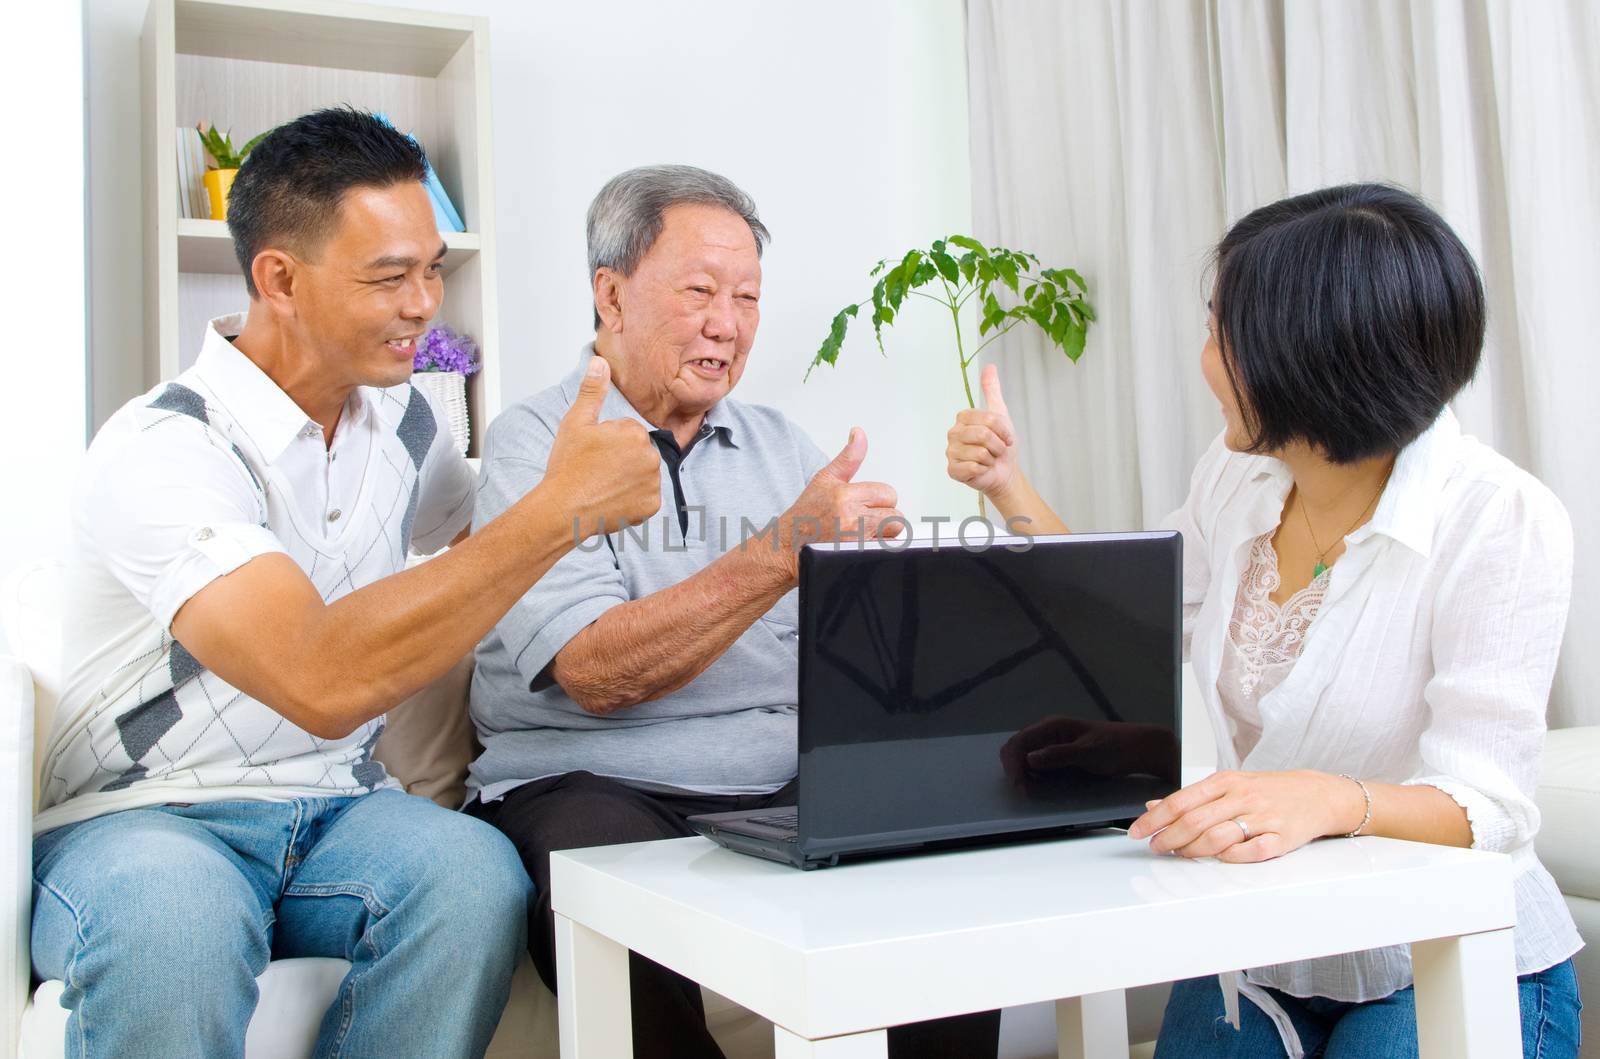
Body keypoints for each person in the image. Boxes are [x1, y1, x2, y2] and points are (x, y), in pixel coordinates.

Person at [31, 107, 662, 1058]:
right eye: (387, 277)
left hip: (336, 810)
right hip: (144, 817)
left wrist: (591, 498)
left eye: (432, 270)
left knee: (474, 876)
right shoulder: (165, 451)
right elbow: (319, 678)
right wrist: (556, 510)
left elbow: (487, 539)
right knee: (176, 926)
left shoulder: (404, 424)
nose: (424, 305)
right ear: (277, 279)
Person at [944, 183, 1582, 1059]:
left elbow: (1492, 805)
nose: (1203, 359)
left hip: (1444, 950)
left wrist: (1326, 798)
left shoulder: (1500, 518)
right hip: (1265, 945)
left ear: (1311, 358)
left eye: (1219, 333)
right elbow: (1127, 620)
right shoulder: (1239, 476)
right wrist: (1009, 485)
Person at [467, 164, 1001, 1058]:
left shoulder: (779, 445)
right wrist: (783, 550)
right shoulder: (534, 444)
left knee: (937, 852)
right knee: (597, 866)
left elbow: (860, 660)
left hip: (780, 778)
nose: (728, 323)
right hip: (593, 783)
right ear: (611, 294)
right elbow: (597, 671)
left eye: (747, 296)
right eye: (701, 291)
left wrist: (884, 593)